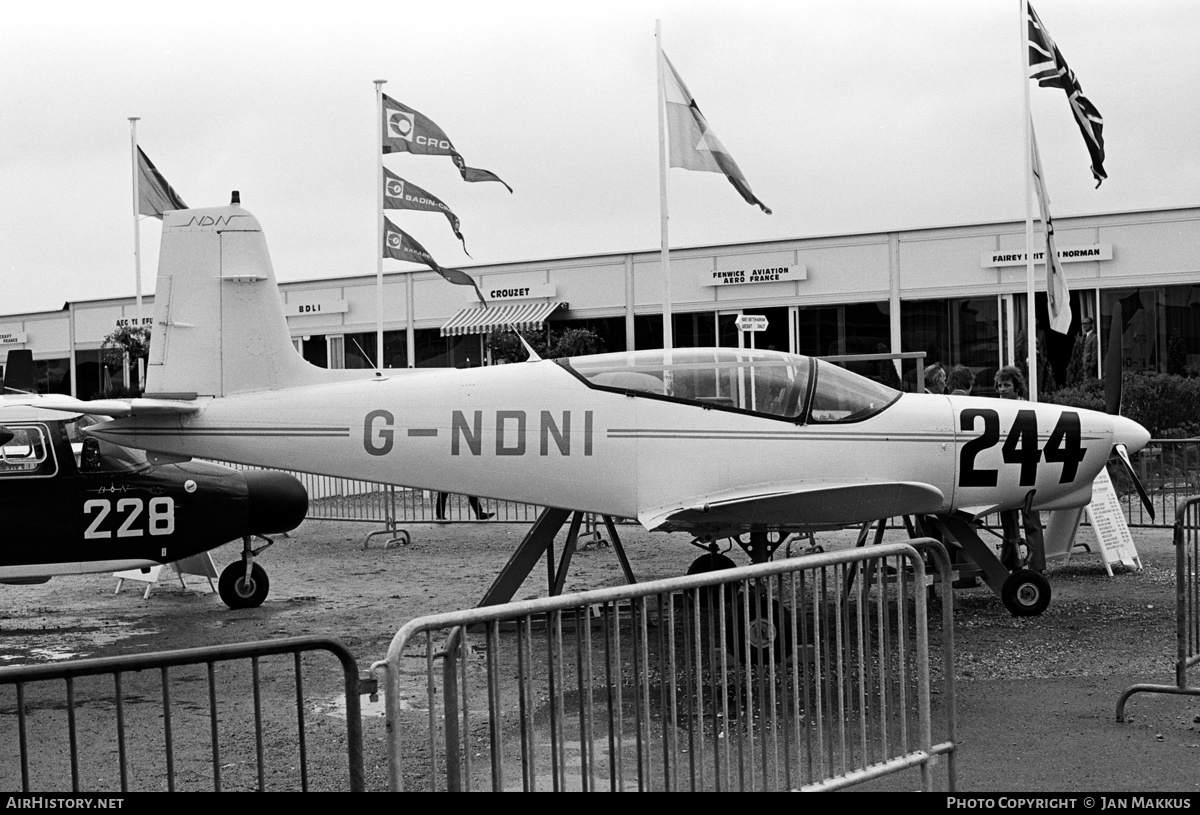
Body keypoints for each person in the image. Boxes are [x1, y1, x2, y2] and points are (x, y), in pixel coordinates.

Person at [993, 365, 1045, 573]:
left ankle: (1036, 564)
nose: (1002, 389)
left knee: (1031, 518)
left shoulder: (1029, 409)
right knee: (1008, 519)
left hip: (1026, 468)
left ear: (1017, 388)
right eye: (999, 385)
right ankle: (1010, 560)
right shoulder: (996, 409)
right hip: (1006, 468)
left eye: (1007, 385)